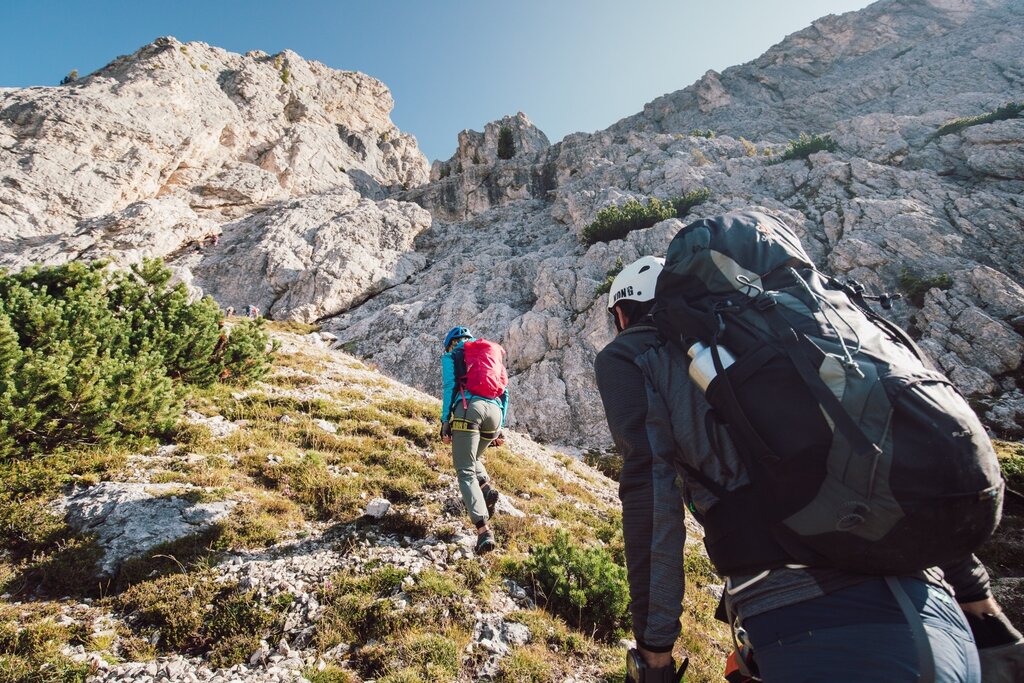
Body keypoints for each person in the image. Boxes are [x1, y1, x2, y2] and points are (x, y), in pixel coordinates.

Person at [594, 255, 1001, 682]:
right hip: (941, 613)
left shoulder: (636, 352)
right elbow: (899, 458)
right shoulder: (784, 338)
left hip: (811, 624)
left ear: (624, 312)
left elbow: (653, 500)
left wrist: (654, 651)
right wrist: (975, 592)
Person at [440, 326, 508, 554]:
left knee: (465, 469)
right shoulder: (489, 355)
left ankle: (483, 531)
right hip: (495, 414)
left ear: (451, 343)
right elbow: (504, 392)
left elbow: (450, 387)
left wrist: (445, 421)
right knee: (473, 455)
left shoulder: (452, 356)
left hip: (470, 409)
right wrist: (500, 428)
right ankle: (486, 488)